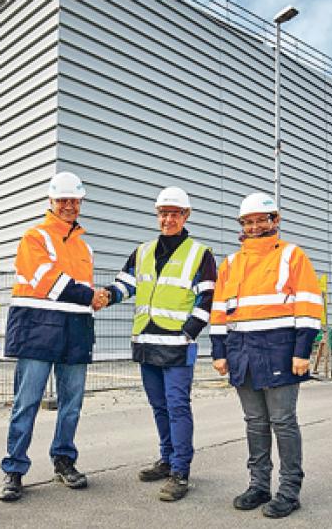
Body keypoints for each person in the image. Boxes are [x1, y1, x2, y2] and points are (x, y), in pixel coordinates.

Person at [98, 186, 216, 501]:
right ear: (157, 215)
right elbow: (125, 285)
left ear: (185, 215)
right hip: (147, 342)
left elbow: (207, 297)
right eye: (163, 213)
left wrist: (189, 331)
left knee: (177, 406)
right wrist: (106, 296)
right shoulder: (143, 251)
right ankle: (166, 459)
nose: (168, 219)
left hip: (177, 344)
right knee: (159, 406)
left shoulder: (199, 254)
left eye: (174, 213)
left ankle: (180, 471)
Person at [210, 192, 323, 519]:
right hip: (241, 351)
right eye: (249, 221)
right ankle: (259, 485)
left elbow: (308, 306)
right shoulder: (230, 263)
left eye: (262, 220)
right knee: (255, 422)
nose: (255, 226)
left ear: (276, 220)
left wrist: (302, 350)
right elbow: (219, 311)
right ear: (241, 225)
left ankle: (289, 491)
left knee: (283, 421)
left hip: (280, 352)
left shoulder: (292, 255)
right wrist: (219, 351)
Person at [0, 171, 107, 502]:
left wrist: (96, 298)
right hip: (37, 328)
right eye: (63, 200)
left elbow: (82, 291)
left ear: (81, 201)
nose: (70, 206)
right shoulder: (35, 237)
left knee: (71, 404)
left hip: (74, 330)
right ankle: (14, 469)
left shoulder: (85, 247)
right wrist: (91, 297)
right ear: (51, 201)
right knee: (26, 402)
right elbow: (50, 282)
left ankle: (64, 460)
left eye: (75, 200)